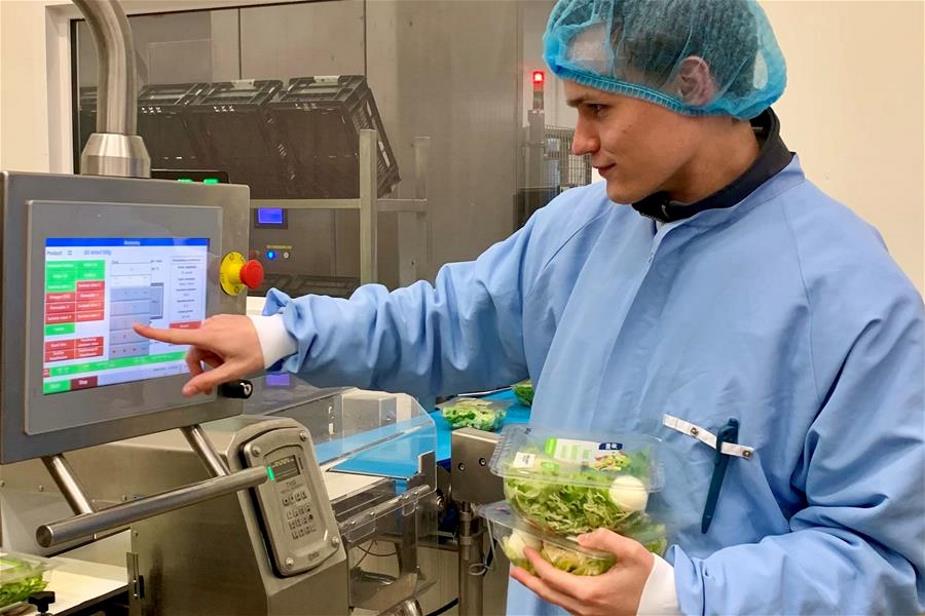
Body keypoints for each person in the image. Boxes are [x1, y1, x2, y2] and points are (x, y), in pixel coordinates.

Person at [136, 0, 925, 613]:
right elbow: (448, 319)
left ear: (693, 83)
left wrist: (681, 598)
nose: (576, 141)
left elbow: (885, 561)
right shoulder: (582, 228)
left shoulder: (844, 294)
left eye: (596, 110)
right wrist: (277, 332)